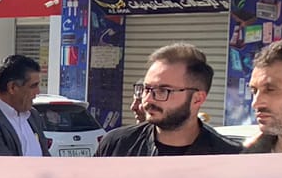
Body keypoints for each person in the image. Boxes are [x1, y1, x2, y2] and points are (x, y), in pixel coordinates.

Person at [95, 45, 242, 156]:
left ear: (197, 99)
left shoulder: (229, 157)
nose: (148, 99)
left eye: (163, 90)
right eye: (146, 88)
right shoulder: (117, 146)